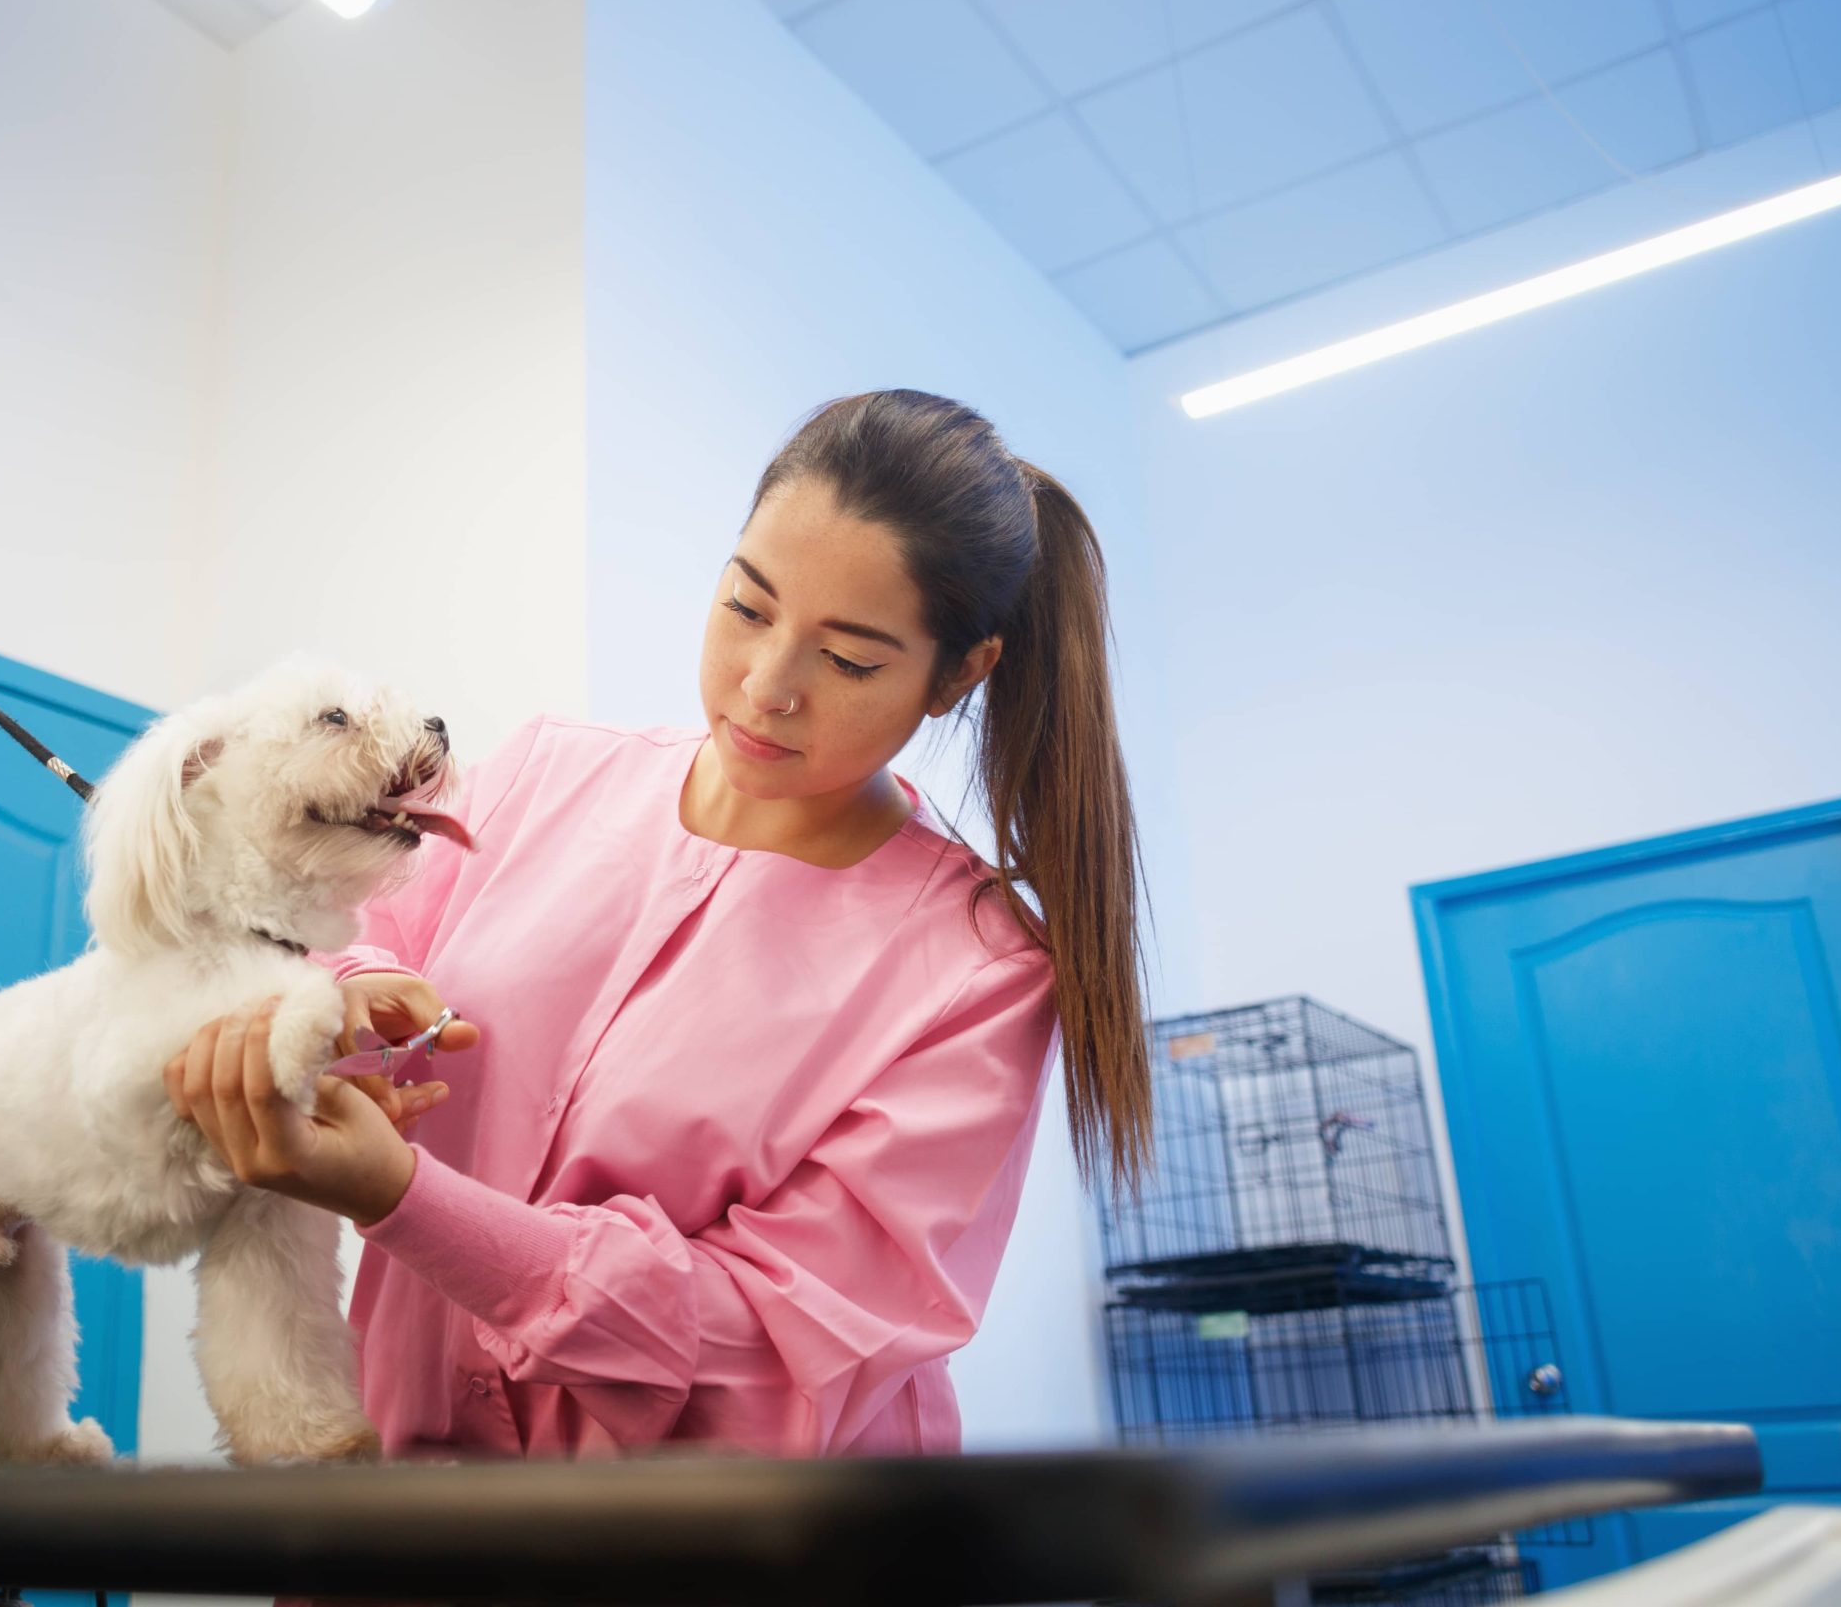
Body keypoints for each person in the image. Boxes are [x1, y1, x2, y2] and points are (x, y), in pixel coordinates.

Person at [165, 388, 1149, 1459]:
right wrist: (339, 1000)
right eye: (747, 605)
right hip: (409, 1489)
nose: (766, 685)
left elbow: (780, 1343)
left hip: (719, 1548)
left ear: (959, 673)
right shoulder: (543, 774)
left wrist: (407, 1199)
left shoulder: (975, 969)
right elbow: (359, 932)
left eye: (850, 659)